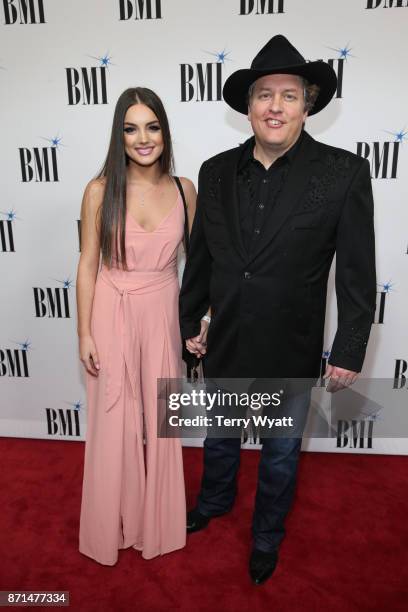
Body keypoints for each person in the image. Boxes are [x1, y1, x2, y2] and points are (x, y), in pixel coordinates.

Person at [179, 35, 376, 584]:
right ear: (248, 106)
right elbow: (201, 257)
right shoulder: (215, 172)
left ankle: (266, 535)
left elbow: (358, 272)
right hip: (226, 337)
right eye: (264, 94)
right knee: (220, 434)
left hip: (290, 341)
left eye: (289, 95)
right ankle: (214, 502)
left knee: (281, 451)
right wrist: (189, 320)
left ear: (307, 105)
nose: (275, 106)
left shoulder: (343, 174)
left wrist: (349, 348)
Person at [77, 87, 197, 565]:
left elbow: (202, 265)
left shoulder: (186, 189)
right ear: (118, 135)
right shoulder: (99, 190)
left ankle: (159, 526)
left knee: (162, 421)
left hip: (163, 305)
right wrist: (83, 332)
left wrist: (202, 316)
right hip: (111, 305)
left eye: (152, 126)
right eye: (130, 128)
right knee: (113, 420)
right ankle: (113, 527)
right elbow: (87, 263)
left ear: (165, 131)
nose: (142, 138)